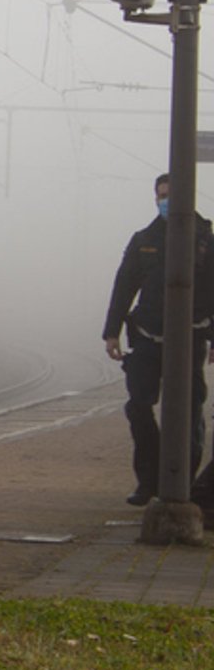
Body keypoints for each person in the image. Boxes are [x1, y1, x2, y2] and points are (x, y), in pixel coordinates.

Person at [103, 172, 213, 506]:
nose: (165, 200)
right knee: (138, 406)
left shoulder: (205, 240)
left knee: (189, 412)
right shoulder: (144, 240)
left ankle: (183, 483)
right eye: (160, 195)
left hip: (191, 339)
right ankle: (148, 479)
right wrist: (111, 331)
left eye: (171, 195)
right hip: (148, 338)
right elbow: (124, 286)